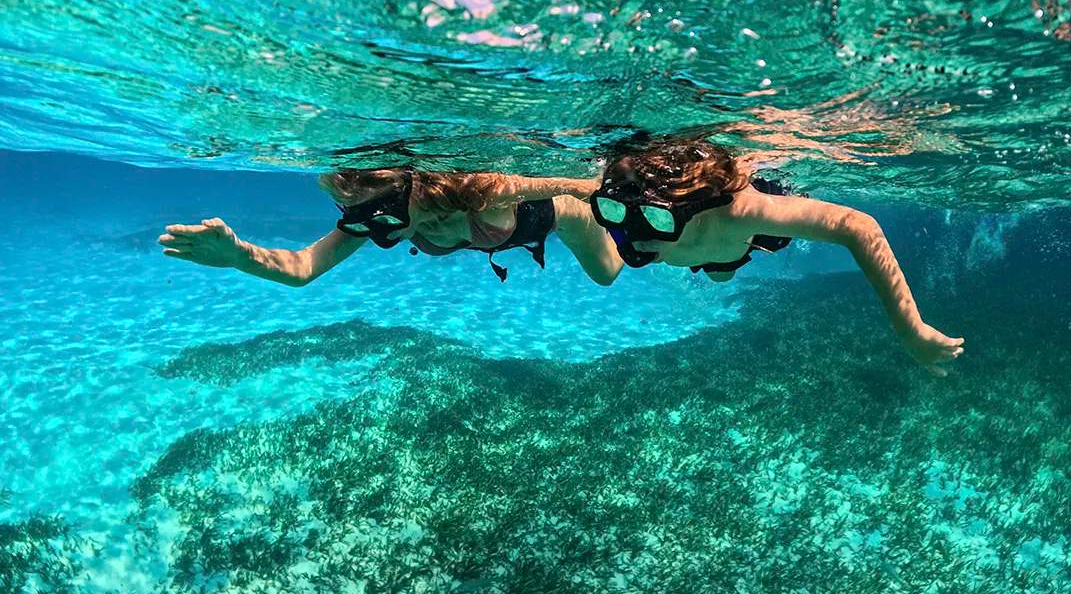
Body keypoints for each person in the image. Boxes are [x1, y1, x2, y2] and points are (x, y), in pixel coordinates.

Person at [588, 136, 964, 373]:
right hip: (709, 251)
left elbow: (858, 226)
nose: (632, 239)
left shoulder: (739, 213)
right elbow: (575, 189)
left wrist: (910, 329)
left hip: (735, 243)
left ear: (687, 209)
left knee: (721, 270)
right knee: (715, 272)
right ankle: (713, 264)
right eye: (615, 214)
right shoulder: (630, 208)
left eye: (654, 219)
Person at [158, 165, 622, 288]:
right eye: (356, 216)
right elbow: (302, 269)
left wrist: (607, 194)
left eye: (383, 213)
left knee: (609, 273)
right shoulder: (374, 219)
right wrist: (240, 256)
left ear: (412, 194)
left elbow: (577, 185)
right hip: (497, 233)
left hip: (551, 213)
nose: (376, 228)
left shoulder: (474, 190)